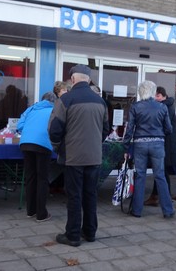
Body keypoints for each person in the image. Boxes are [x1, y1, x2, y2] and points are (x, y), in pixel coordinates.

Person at [48, 64, 110, 247]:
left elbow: (54, 130)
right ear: (89, 80)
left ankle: (73, 235)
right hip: (94, 157)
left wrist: (59, 149)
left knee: (74, 196)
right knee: (90, 195)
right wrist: (94, 144)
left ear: (72, 80)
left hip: (73, 157)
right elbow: (105, 130)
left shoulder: (65, 100)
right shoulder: (101, 102)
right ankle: (90, 232)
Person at [123, 81, 175, 218]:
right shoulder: (162, 107)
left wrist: (126, 147)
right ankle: (168, 211)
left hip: (140, 143)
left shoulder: (135, 107)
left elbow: (129, 129)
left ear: (141, 92)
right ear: (153, 92)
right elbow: (169, 129)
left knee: (140, 175)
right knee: (160, 176)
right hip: (157, 144)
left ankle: (137, 210)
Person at [17, 91, 56, 222]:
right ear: (53, 101)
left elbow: (19, 126)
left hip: (26, 143)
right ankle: (41, 214)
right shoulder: (54, 110)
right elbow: (56, 128)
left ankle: (31, 211)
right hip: (43, 144)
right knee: (42, 179)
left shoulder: (31, 108)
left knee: (31, 177)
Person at [144, 86, 176, 207]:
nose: (155, 98)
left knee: (162, 172)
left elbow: (165, 126)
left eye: (157, 96)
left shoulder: (165, 107)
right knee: (160, 171)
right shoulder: (167, 105)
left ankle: (164, 198)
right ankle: (156, 197)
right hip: (165, 143)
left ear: (161, 96)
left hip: (165, 144)